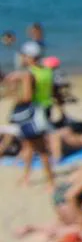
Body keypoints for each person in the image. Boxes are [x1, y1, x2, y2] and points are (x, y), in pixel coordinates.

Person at [6, 42, 55, 188]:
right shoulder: (47, 70)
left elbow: (27, 97)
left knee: (39, 148)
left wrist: (14, 97)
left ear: (29, 57)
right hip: (45, 108)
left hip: (33, 113)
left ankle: (50, 181)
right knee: (28, 145)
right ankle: (26, 177)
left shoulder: (28, 73)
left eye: (24, 56)